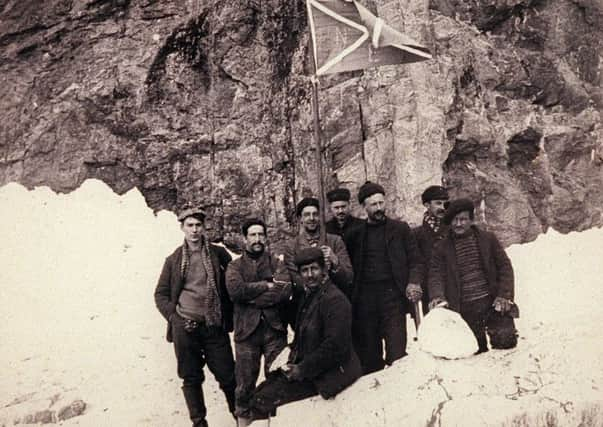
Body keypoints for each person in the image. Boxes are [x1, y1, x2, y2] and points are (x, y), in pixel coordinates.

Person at [245, 247, 362, 426]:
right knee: (259, 392)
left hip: (330, 374)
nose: (310, 275)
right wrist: (287, 360)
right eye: (304, 271)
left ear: (324, 269)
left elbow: (335, 347)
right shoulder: (309, 297)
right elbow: (301, 339)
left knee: (263, 400)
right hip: (313, 369)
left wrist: (301, 369)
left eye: (314, 269)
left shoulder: (335, 300)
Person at [154, 206, 236, 427]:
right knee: (190, 377)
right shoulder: (174, 260)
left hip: (214, 324)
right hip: (185, 326)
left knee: (228, 375)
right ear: (182, 228)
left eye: (198, 225)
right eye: (189, 225)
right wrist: (174, 317)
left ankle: (242, 418)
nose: (194, 230)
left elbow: (233, 283)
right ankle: (199, 423)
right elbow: (160, 294)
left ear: (204, 227)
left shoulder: (218, 254)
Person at [344, 181, 424, 374]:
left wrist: (413, 282)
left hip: (393, 296)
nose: (379, 208)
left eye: (381, 203)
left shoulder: (400, 229)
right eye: (374, 205)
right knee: (370, 356)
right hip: (365, 300)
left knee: (397, 353)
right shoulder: (354, 235)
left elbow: (416, 261)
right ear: (364, 207)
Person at [428, 198, 519, 354]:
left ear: (471, 220)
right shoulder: (441, 247)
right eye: (455, 220)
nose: (458, 224)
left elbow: (505, 267)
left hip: (492, 304)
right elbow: (435, 275)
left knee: (506, 346)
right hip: (464, 309)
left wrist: (504, 295)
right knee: (473, 352)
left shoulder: (488, 239)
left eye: (463, 219)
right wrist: (438, 296)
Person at [225, 218, 292, 427]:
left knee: (276, 382)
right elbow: (236, 291)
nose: (257, 239)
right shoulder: (234, 266)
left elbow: (284, 290)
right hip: (246, 333)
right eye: (252, 235)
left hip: (274, 330)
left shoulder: (276, 262)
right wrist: (266, 285)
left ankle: (273, 423)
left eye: (261, 235)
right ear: (245, 239)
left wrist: (251, 296)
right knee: (244, 386)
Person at [283, 197, 353, 307]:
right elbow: (296, 280)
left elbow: (348, 277)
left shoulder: (335, 241)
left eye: (315, 214)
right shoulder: (291, 246)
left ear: (320, 217)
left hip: (334, 303)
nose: (312, 218)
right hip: (306, 304)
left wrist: (335, 261)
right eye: (307, 215)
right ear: (300, 218)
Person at [411, 185, 450, 315]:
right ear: (427, 205)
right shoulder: (416, 234)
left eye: (445, 203)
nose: (442, 207)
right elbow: (415, 262)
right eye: (438, 203)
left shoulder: (452, 229)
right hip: (429, 292)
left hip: (454, 287)